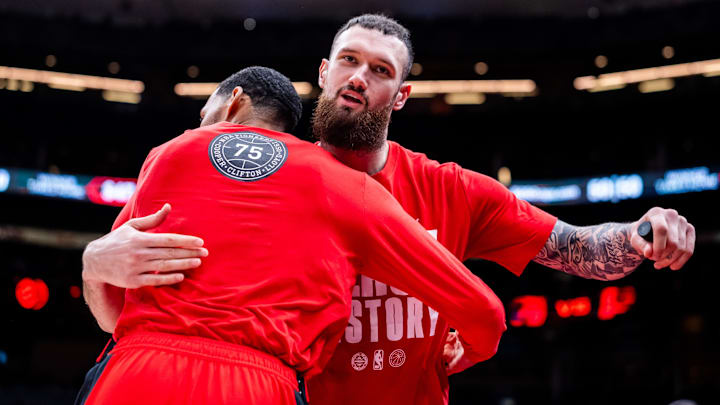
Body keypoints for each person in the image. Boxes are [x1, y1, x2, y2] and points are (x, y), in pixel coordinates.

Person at [81, 15, 696, 405]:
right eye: (347, 60)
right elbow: (131, 317)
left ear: (399, 96)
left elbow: (578, 248)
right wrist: (94, 261)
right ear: (323, 73)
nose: (358, 78)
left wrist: (642, 234)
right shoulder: (257, 173)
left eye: (379, 70)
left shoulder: (452, 190)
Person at [78, 66, 507, 405]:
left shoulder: (170, 153)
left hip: (135, 370)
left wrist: (91, 266)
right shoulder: (341, 183)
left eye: (202, 113)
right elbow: (484, 311)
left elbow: (111, 316)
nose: (200, 124)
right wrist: (468, 352)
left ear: (233, 103)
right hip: (260, 384)